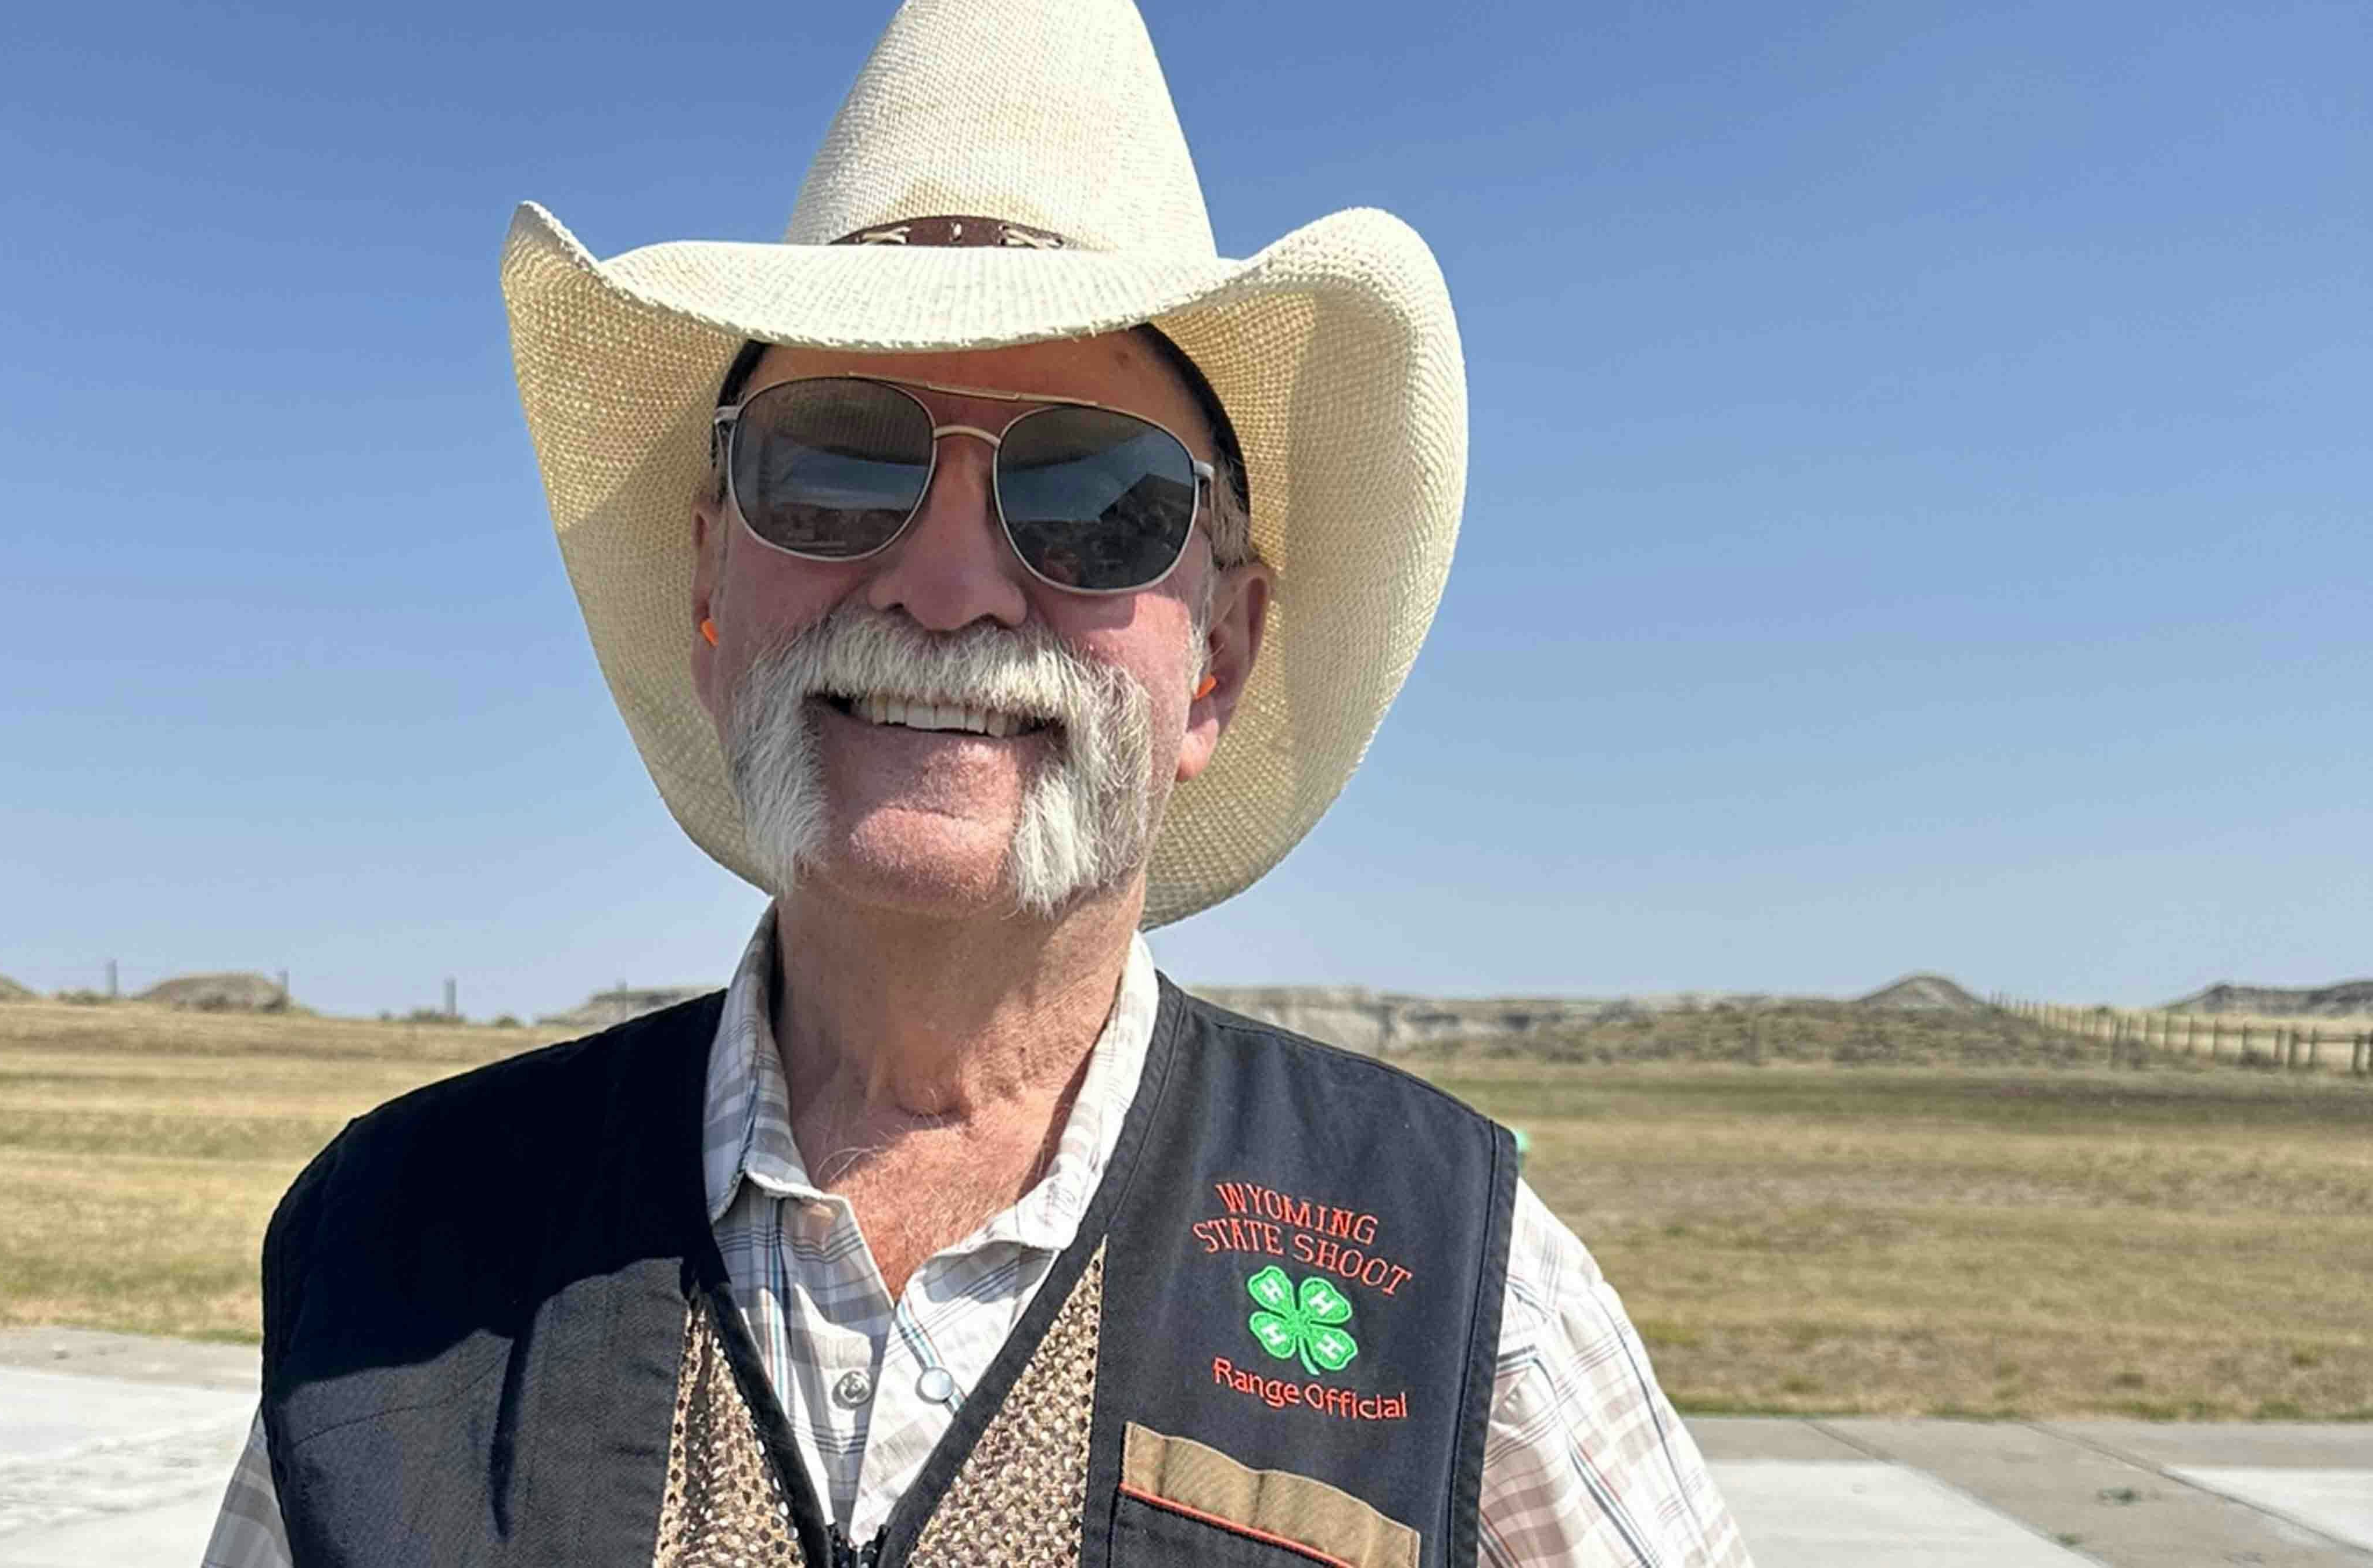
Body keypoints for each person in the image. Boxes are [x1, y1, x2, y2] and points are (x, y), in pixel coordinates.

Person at [204, 1, 1749, 1563]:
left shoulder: (1470, 1306)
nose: (945, 588)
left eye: (1093, 498)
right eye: (831, 464)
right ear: (708, 596)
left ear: (1221, 650)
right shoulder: (395, 1250)